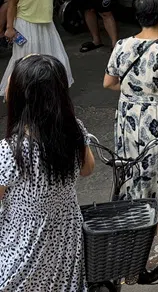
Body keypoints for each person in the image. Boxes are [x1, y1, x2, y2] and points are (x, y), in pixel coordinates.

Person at [0, 54, 95, 291]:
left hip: (25, 241)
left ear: (21, 95)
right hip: (65, 233)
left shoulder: (10, 149)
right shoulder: (74, 129)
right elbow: (87, 169)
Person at [103, 0, 158, 218]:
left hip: (127, 117)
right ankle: (156, 227)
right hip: (157, 116)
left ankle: (135, 217)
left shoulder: (121, 45)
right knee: (157, 170)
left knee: (131, 167)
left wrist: (134, 93)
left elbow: (109, 83)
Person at [1, 0, 74, 96]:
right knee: (25, 60)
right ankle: (17, 92)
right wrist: (9, 27)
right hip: (26, 24)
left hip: (47, 23)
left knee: (54, 56)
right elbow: (12, 4)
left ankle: (50, 90)